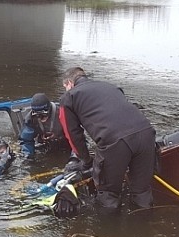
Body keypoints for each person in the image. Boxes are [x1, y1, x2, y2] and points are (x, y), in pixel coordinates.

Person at [58, 67, 156, 214]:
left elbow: (72, 134)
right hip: (147, 133)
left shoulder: (69, 97)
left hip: (115, 141)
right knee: (142, 191)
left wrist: (86, 161)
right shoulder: (110, 86)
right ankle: (143, 230)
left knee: (107, 195)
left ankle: (108, 232)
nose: (66, 90)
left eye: (65, 87)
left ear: (70, 83)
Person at [19, 93, 70, 159]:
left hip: (66, 142)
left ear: (49, 110)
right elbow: (26, 140)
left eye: (44, 115)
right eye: (38, 116)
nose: (41, 119)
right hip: (46, 144)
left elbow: (75, 134)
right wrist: (28, 156)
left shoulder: (62, 113)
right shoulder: (30, 119)